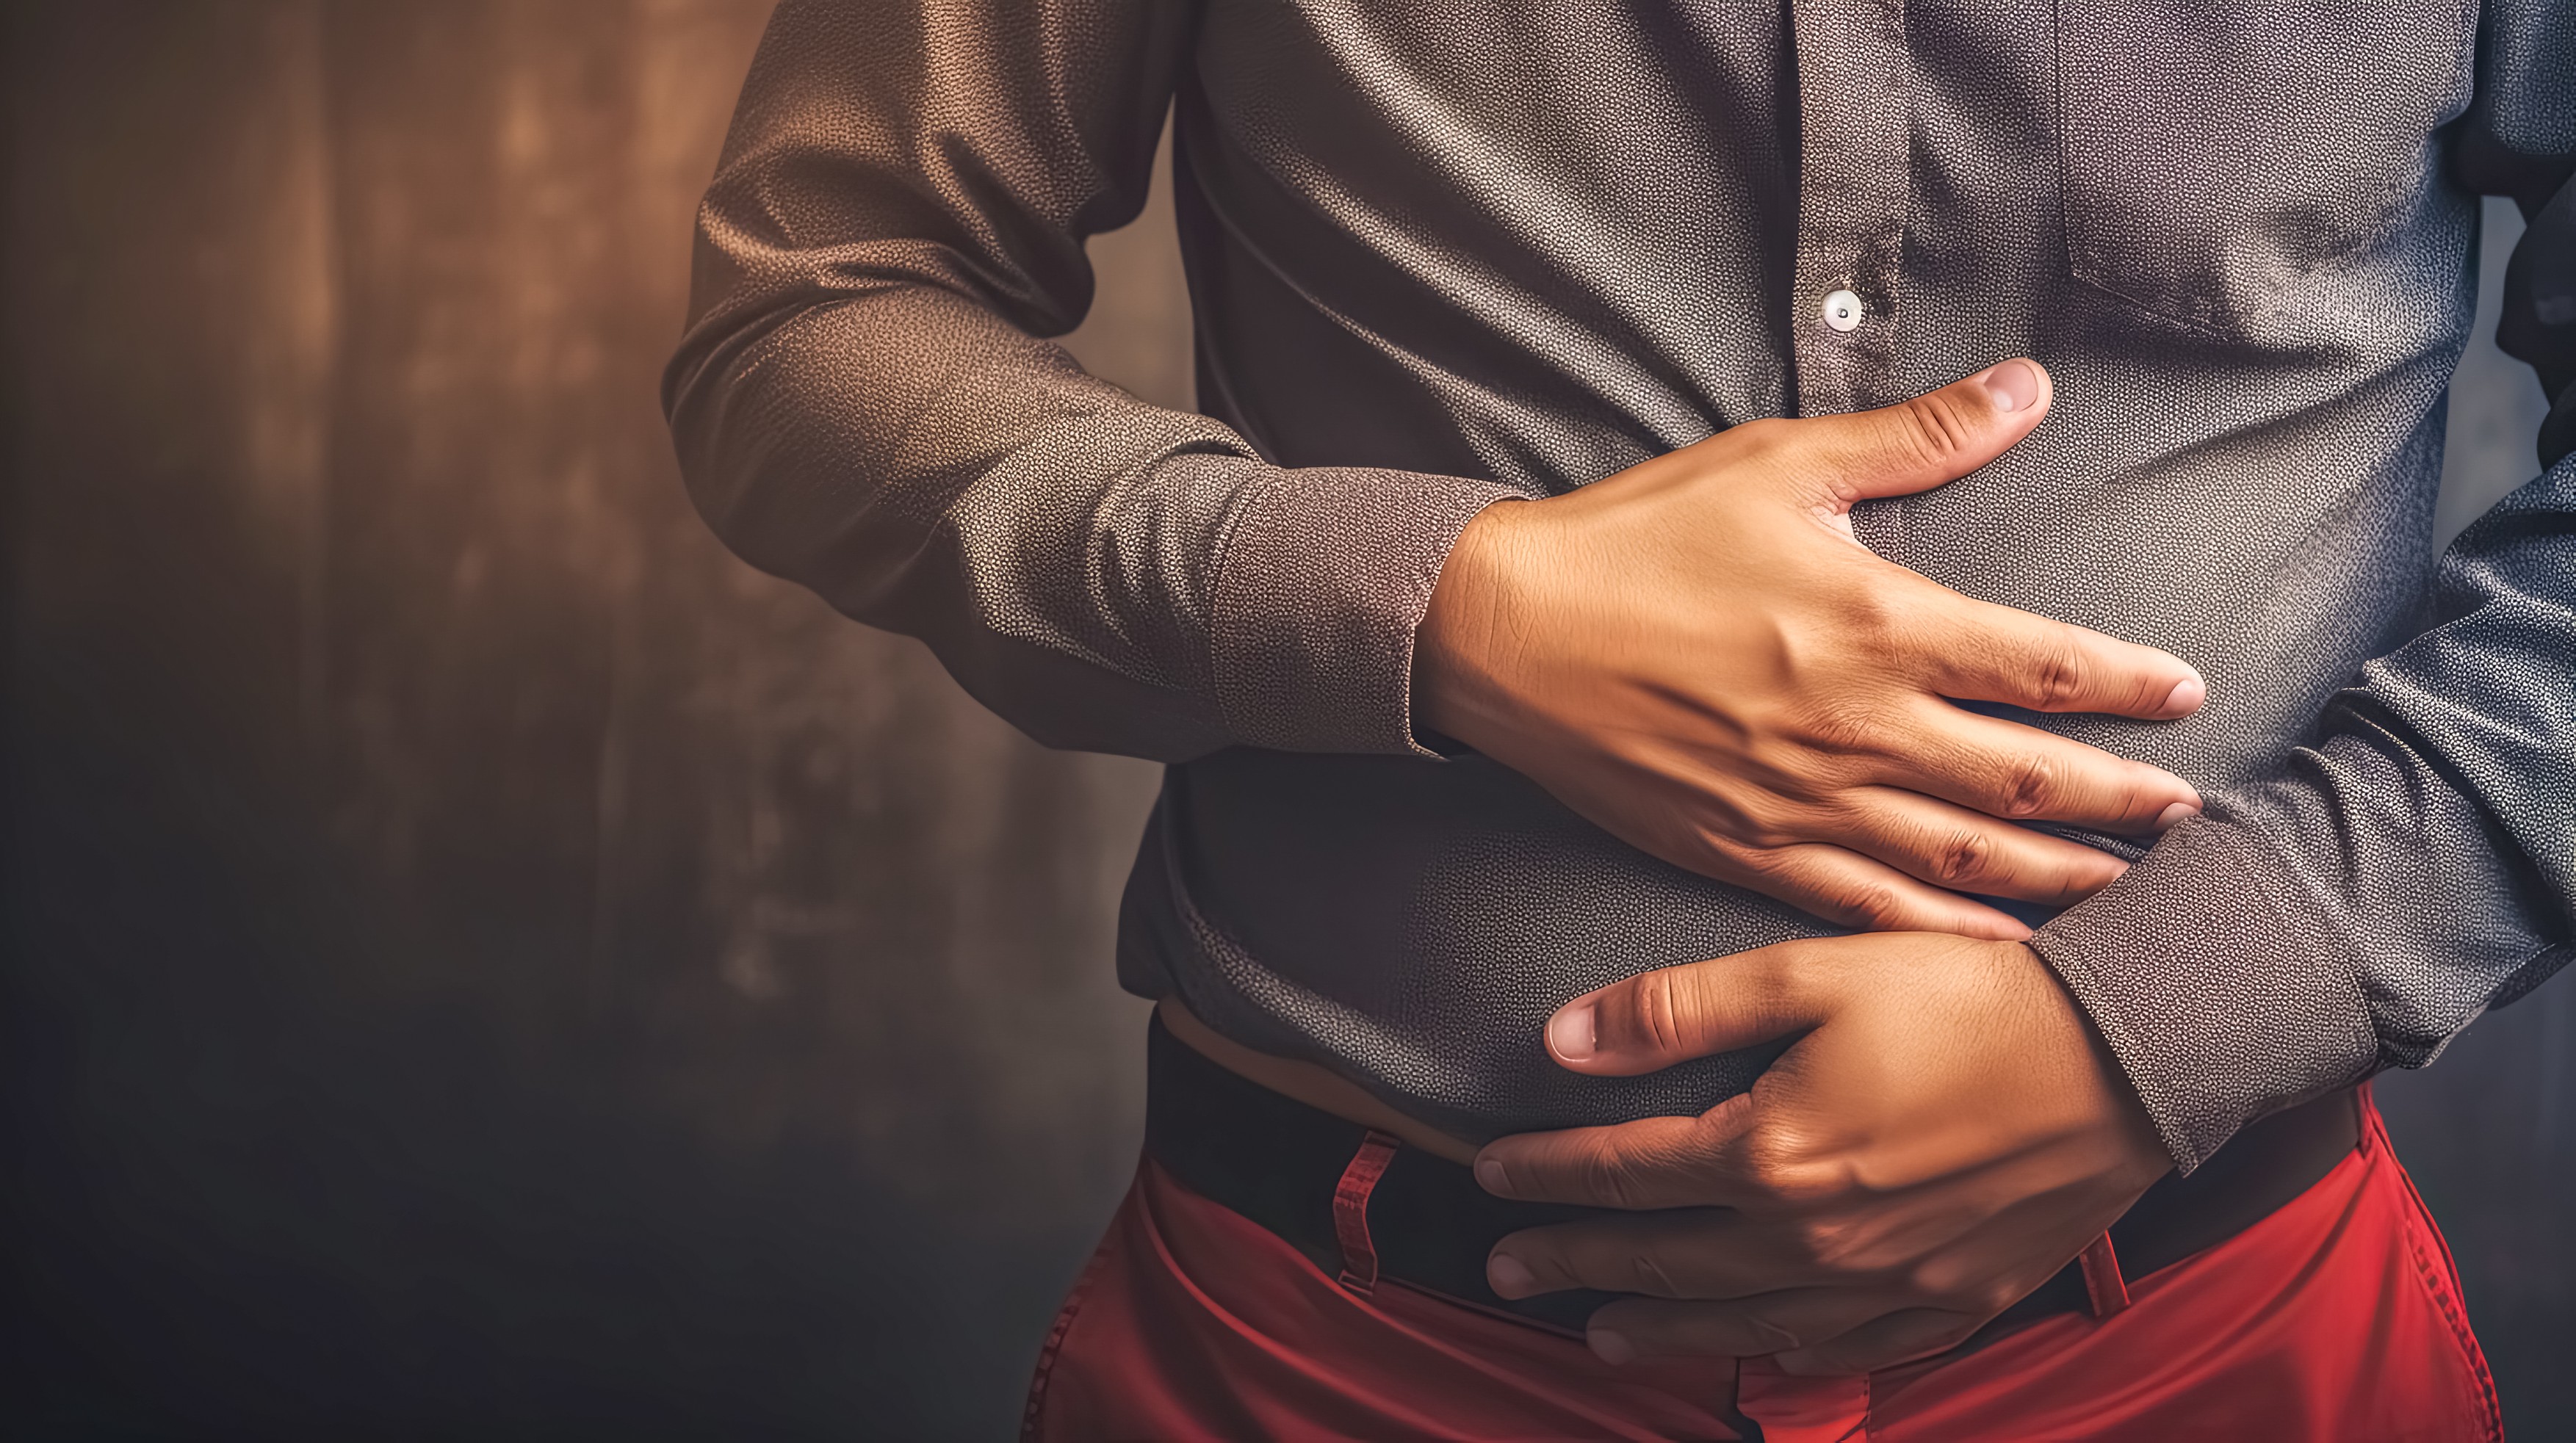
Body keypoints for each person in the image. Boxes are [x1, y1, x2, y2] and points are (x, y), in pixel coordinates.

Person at [666, 3, 2572, 1437]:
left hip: (2209, 1344)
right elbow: (815, 320)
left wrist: (2161, 1020)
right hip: (1331, 1357)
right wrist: (1446, 613)